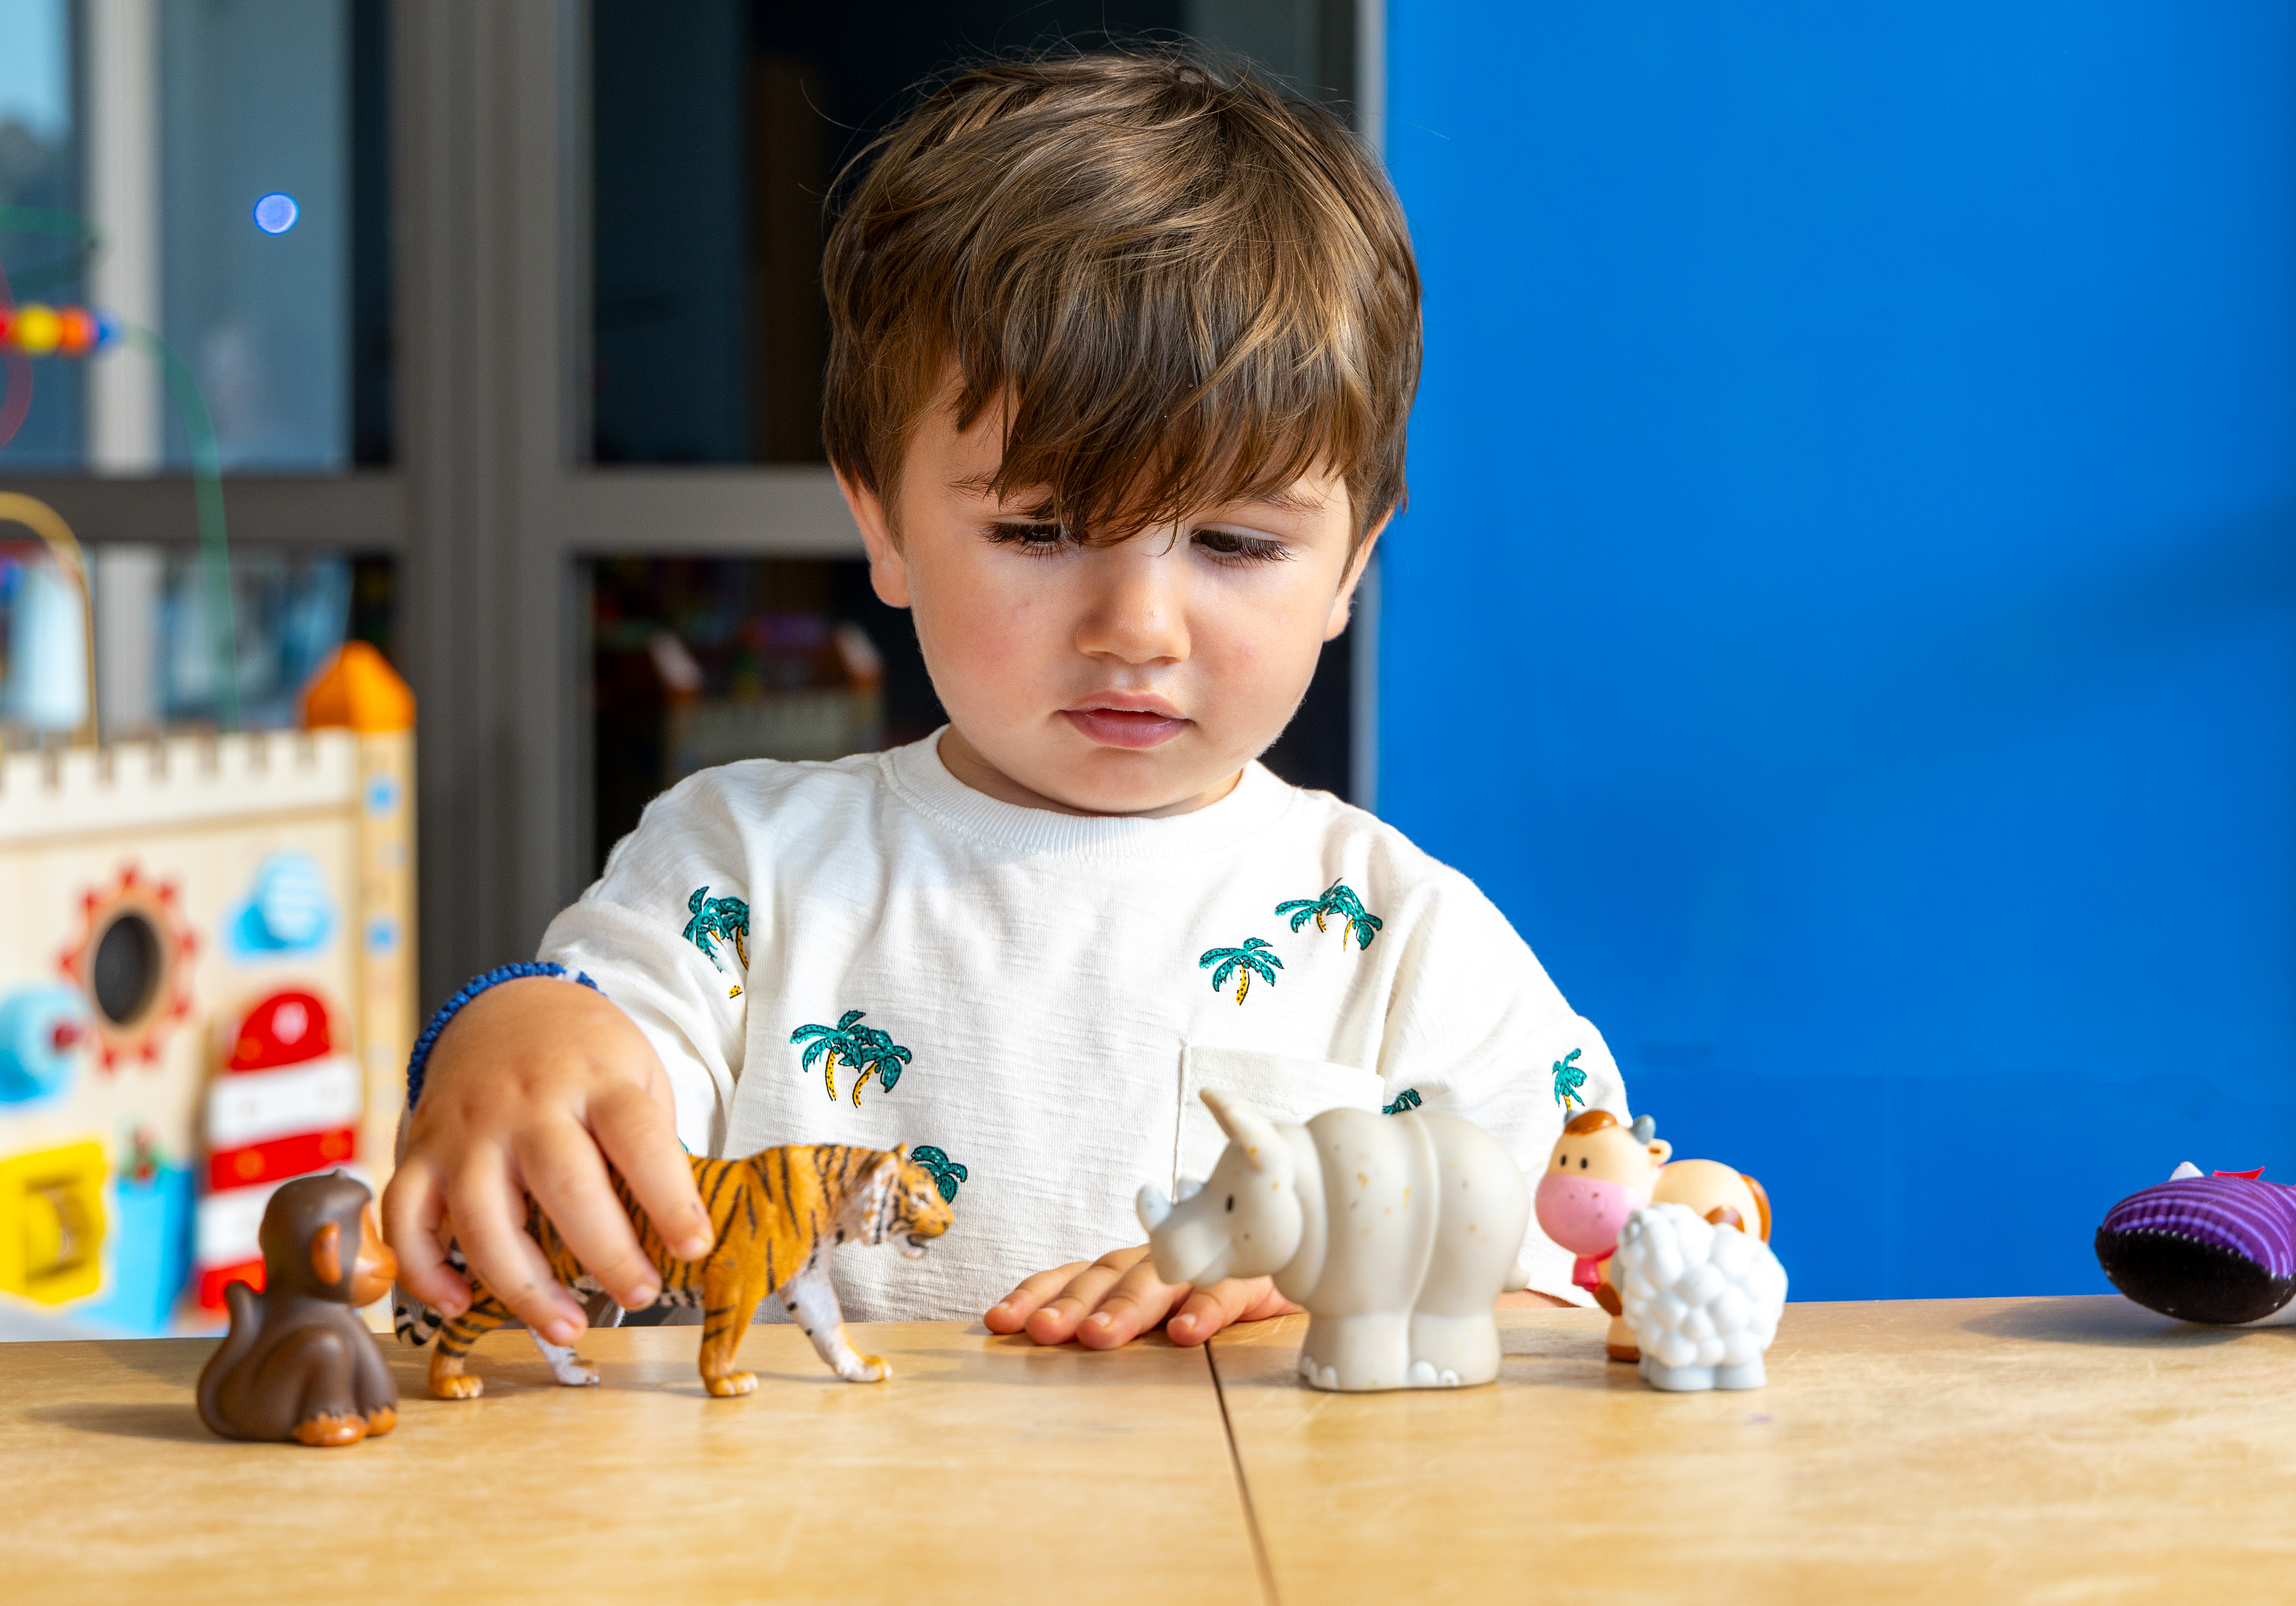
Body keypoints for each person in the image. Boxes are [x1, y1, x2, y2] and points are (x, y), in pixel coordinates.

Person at [384, 47, 1630, 1357]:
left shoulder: (1408, 940)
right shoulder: (743, 867)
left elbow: (1578, 1285)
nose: (1137, 629)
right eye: (1040, 533)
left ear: (1351, 568)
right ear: (886, 524)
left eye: (1238, 545)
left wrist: (1335, 1287)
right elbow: (591, 1080)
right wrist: (513, 1028)